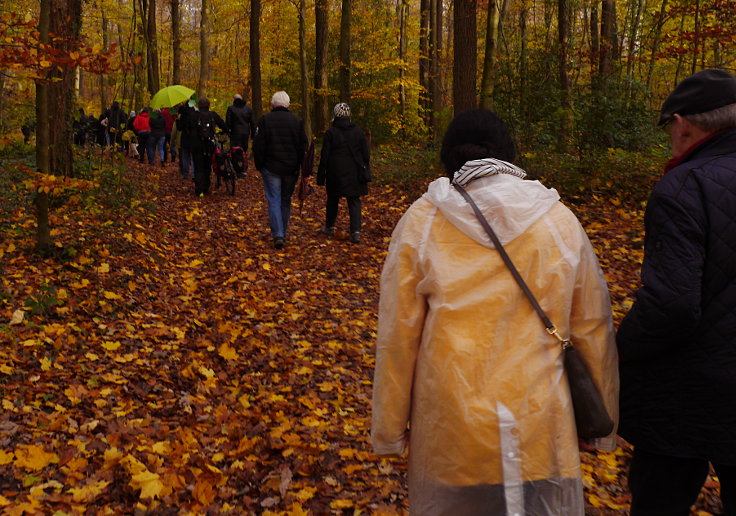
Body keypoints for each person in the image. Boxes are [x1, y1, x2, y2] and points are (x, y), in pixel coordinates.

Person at [371, 109, 619, 515]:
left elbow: (398, 336)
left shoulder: (424, 222)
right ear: (509, 154)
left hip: (453, 431)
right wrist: (600, 419)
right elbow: (592, 325)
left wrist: (389, 431)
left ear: (449, 157)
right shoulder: (558, 220)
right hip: (540, 424)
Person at [616, 69, 736, 515]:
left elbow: (672, 304)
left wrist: (620, 348)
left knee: (660, 501)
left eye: (670, 127)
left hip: (687, 394)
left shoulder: (684, 187)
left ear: (683, 123)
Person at [253, 91, 308, 249]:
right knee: (285, 200)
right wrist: (299, 166)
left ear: (272, 103)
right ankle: (281, 232)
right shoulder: (297, 122)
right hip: (290, 168)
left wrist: (260, 165)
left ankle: (279, 234)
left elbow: (258, 145)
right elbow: (302, 147)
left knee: (274, 200)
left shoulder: (265, 120)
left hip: (271, 167)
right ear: (288, 104)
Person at [316, 103, 370, 244]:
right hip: (354, 172)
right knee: (354, 201)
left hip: (335, 172)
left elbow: (325, 156)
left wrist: (321, 176)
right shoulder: (358, 132)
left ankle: (329, 227)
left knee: (333, 200)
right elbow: (366, 154)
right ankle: (356, 232)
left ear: (335, 115)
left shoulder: (331, 133)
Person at [187, 97, 226, 196]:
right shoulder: (212, 115)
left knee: (198, 166)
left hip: (196, 145)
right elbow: (223, 124)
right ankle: (205, 186)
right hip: (209, 145)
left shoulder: (193, 115)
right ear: (208, 105)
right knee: (207, 165)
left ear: (199, 105)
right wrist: (225, 132)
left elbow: (187, 128)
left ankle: (199, 189)